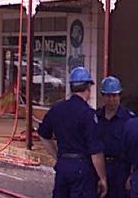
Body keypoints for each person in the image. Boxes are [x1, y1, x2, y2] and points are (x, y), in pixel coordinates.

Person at [36, 67, 109, 198]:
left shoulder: (57, 109)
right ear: (88, 88)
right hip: (82, 167)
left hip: (63, 165)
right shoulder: (87, 113)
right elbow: (95, 152)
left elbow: (43, 134)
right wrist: (102, 177)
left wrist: (57, 155)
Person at [96, 76, 135, 198]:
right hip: (99, 167)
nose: (112, 99)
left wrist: (132, 174)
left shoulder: (129, 119)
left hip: (121, 169)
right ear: (102, 96)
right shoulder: (95, 117)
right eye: (108, 96)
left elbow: (135, 148)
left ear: (120, 96)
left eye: (115, 96)